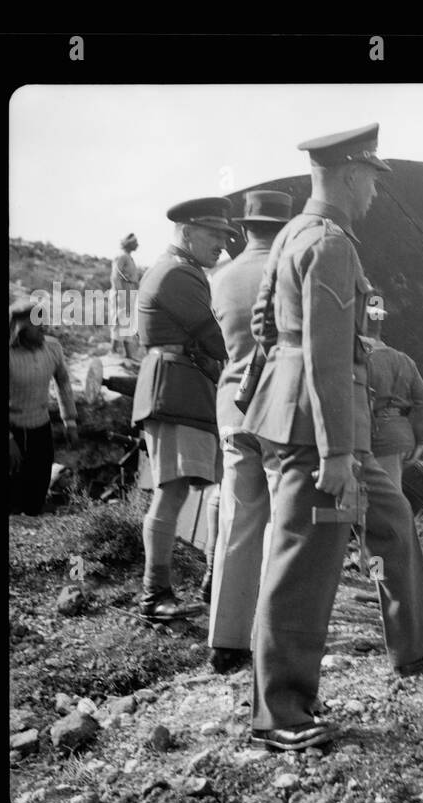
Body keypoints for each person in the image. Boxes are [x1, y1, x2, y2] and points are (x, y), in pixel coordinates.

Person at [243, 123, 423, 752]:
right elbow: (326, 356)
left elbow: (268, 330)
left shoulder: (293, 232)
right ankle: (278, 712)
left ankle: (417, 642)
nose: (375, 191)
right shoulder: (330, 243)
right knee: (304, 558)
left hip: (316, 416)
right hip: (317, 427)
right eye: (372, 178)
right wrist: (337, 451)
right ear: (347, 173)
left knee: (391, 516)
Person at [131, 197, 237, 619]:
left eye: (226, 236)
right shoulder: (178, 273)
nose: (222, 246)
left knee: (218, 485)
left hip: (186, 392)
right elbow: (217, 337)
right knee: (172, 493)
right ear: (188, 232)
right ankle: (154, 595)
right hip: (174, 393)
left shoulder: (183, 270)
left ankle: (213, 580)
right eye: (215, 235)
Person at [205, 190, 292, 673]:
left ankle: (225, 639)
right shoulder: (291, 273)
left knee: (237, 521)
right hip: (278, 406)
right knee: (283, 522)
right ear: (284, 229)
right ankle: (269, 638)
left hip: (231, 406)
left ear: (245, 228)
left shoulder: (221, 277)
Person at [9, 299, 78, 515]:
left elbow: (63, 383)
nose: (43, 329)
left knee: (37, 489)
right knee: (12, 494)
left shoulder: (53, 348)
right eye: (37, 326)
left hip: (41, 428)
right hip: (14, 432)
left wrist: (70, 422)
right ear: (21, 329)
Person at [363, 308, 423, 490]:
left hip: (379, 438)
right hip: (402, 438)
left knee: (389, 502)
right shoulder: (404, 360)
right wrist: (420, 442)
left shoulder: (362, 359)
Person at [110, 233, 141, 359]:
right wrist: (120, 292)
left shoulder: (129, 258)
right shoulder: (122, 257)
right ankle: (113, 350)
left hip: (130, 290)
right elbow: (115, 276)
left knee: (128, 321)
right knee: (119, 319)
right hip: (122, 290)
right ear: (129, 244)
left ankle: (128, 353)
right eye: (135, 242)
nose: (137, 245)